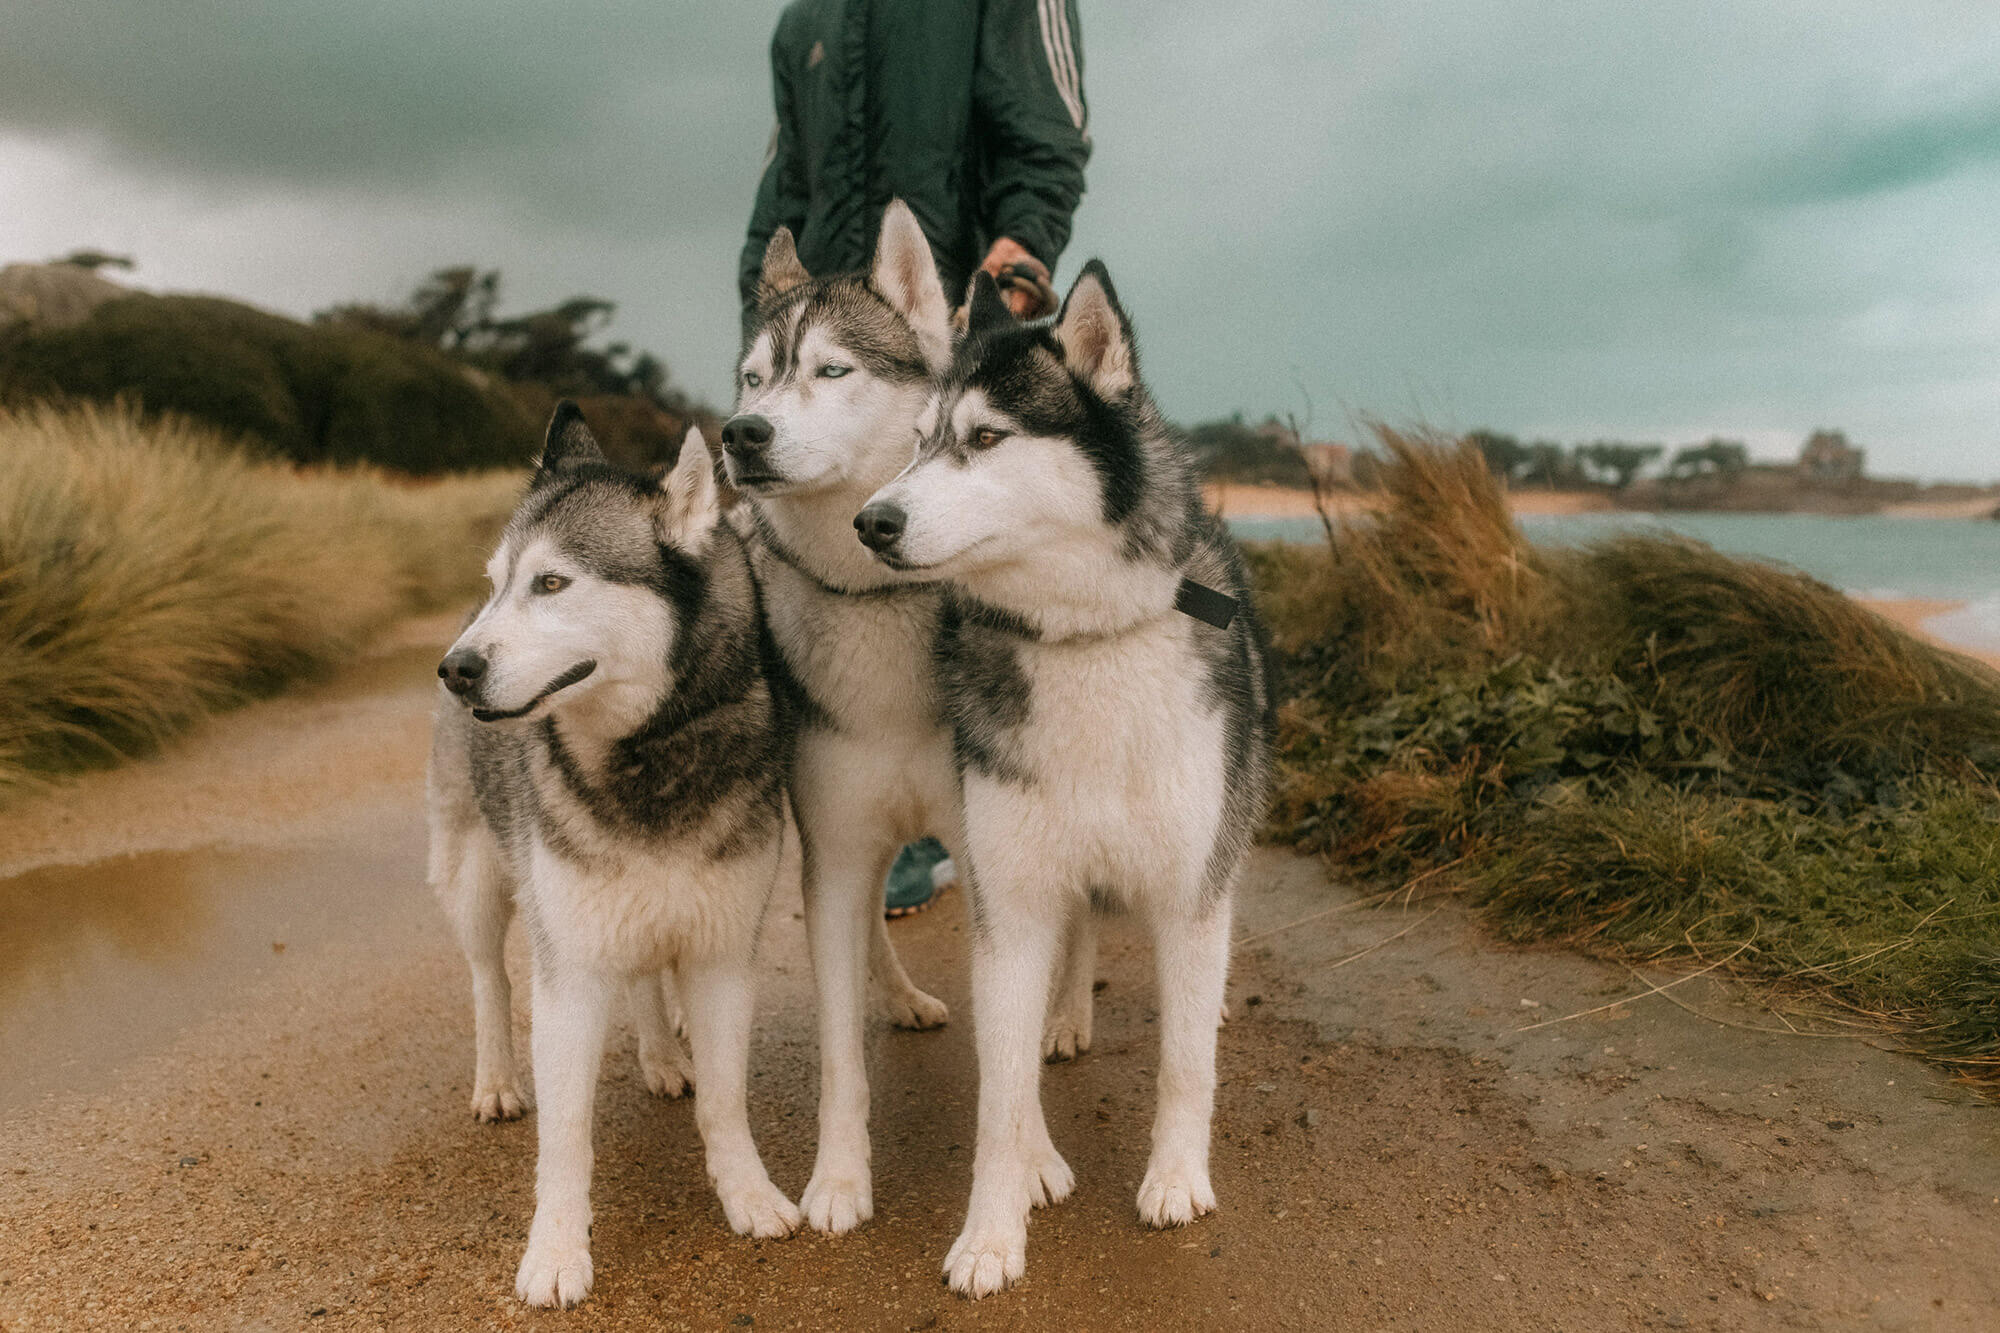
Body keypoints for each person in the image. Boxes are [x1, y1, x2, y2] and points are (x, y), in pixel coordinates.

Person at [738, 0, 1091, 917]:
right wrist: (766, 330)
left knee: (986, 575)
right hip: (818, 356)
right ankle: (881, 810)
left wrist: (1016, 262)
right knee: (835, 584)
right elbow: (781, 190)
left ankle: (1025, 814)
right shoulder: (802, 21)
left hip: (958, 322)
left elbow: (1046, 132)